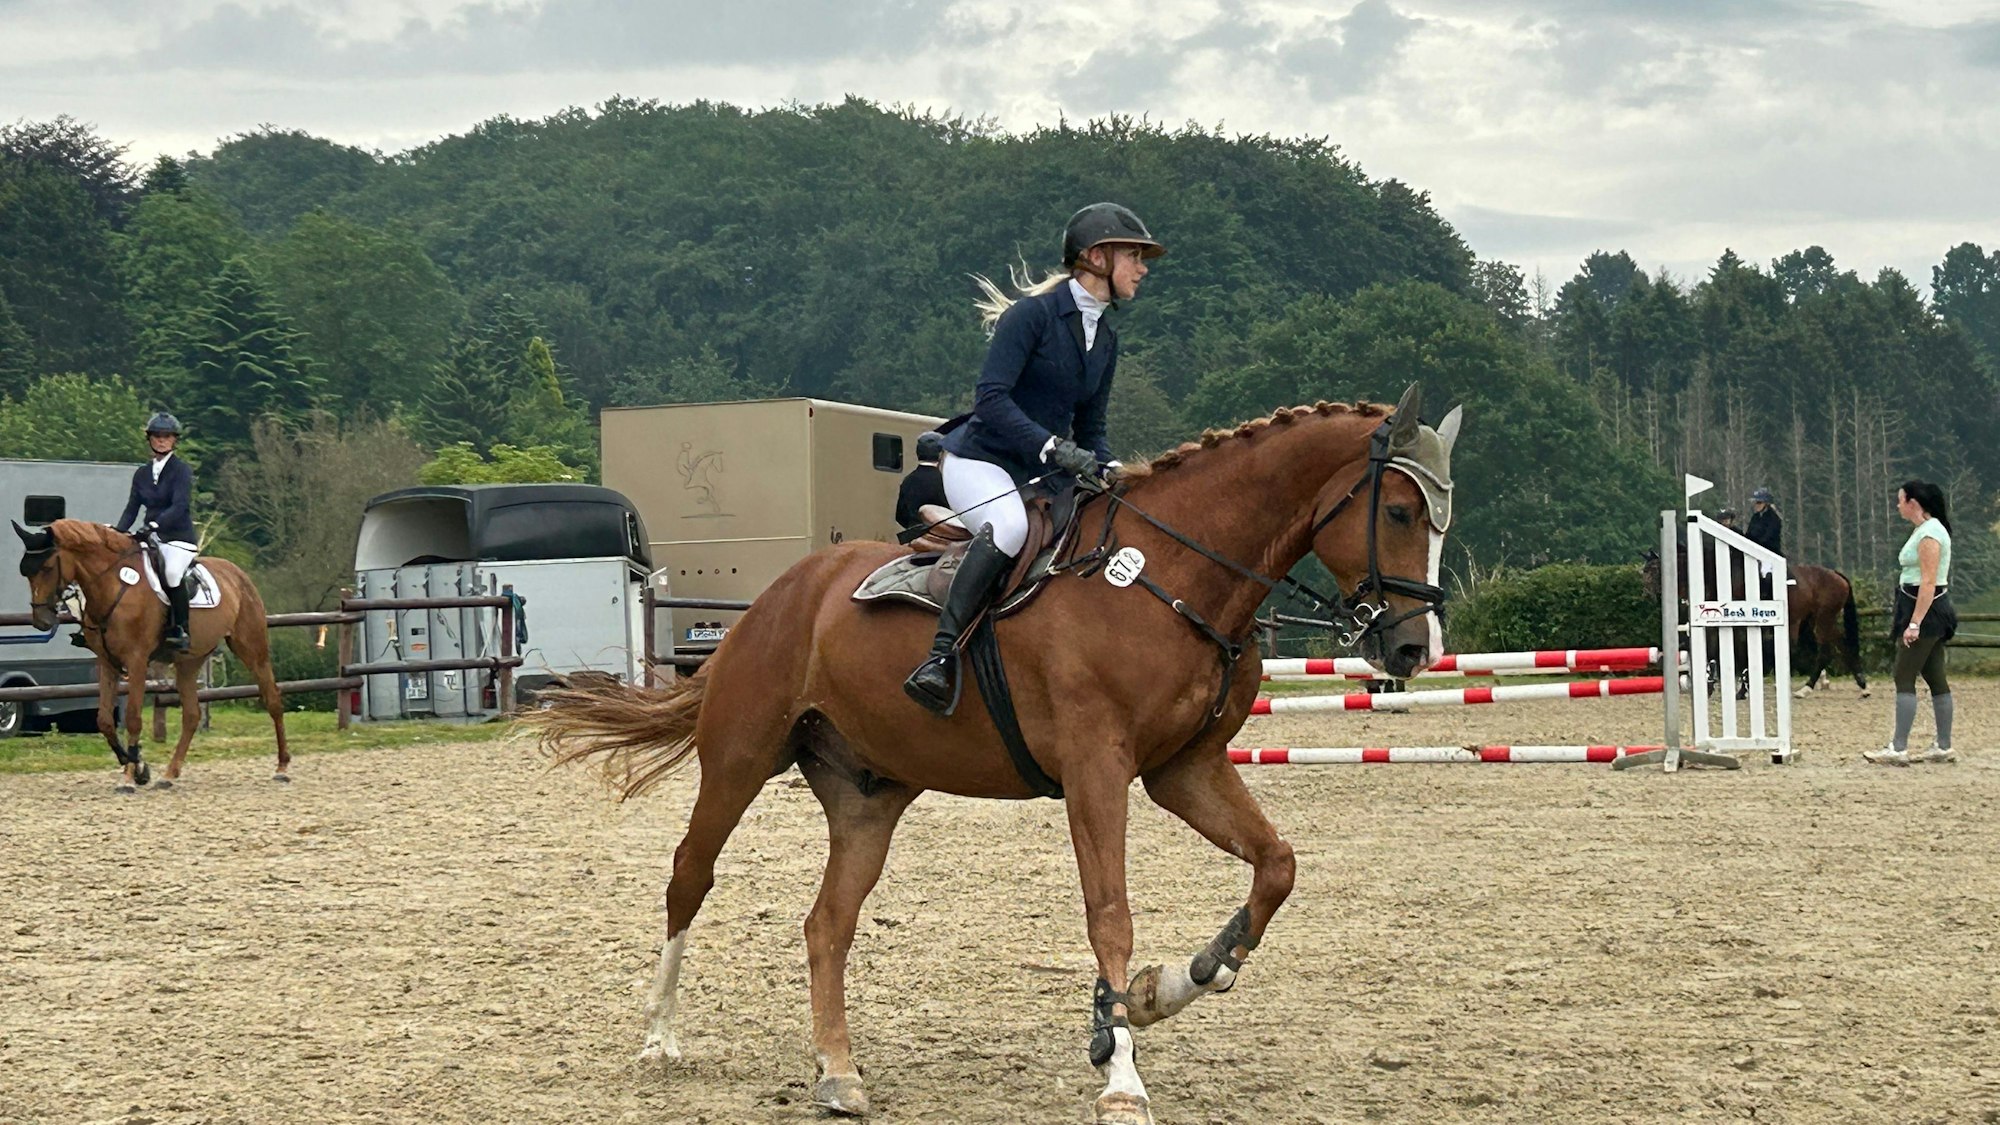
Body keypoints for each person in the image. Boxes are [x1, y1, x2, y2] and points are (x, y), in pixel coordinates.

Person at [902, 202, 1164, 712]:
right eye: (1134, 255)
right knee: (1010, 529)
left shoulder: (1105, 338)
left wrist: (1108, 471)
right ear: (1095, 257)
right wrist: (1051, 447)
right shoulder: (1032, 317)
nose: (1143, 267)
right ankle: (940, 657)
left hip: (1040, 474)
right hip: (980, 461)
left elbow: (1092, 428)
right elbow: (991, 399)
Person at [1865, 481, 1957, 766]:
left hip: (1925, 610)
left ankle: (1898, 747)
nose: (1897, 505)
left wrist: (1915, 623)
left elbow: (1928, 582)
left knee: (1903, 675)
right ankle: (1942, 746)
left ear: (1913, 503)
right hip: (1920, 606)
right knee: (1935, 676)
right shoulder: (1925, 531)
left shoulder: (1930, 534)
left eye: (1900, 500)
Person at [116, 411, 198, 651]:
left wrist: (155, 524)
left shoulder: (181, 470)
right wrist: (119, 532)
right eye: (157, 436)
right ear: (150, 439)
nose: (161, 440)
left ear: (174, 440)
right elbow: (132, 508)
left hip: (177, 539)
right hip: (149, 538)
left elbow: (180, 505)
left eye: (167, 436)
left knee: (172, 573)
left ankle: (181, 629)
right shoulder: (141, 473)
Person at [895, 431, 948, 532]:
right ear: (940, 454)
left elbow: (900, 516)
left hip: (913, 537)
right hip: (939, 537)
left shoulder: (908, 480)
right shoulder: (944, 482)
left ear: (918, 453)